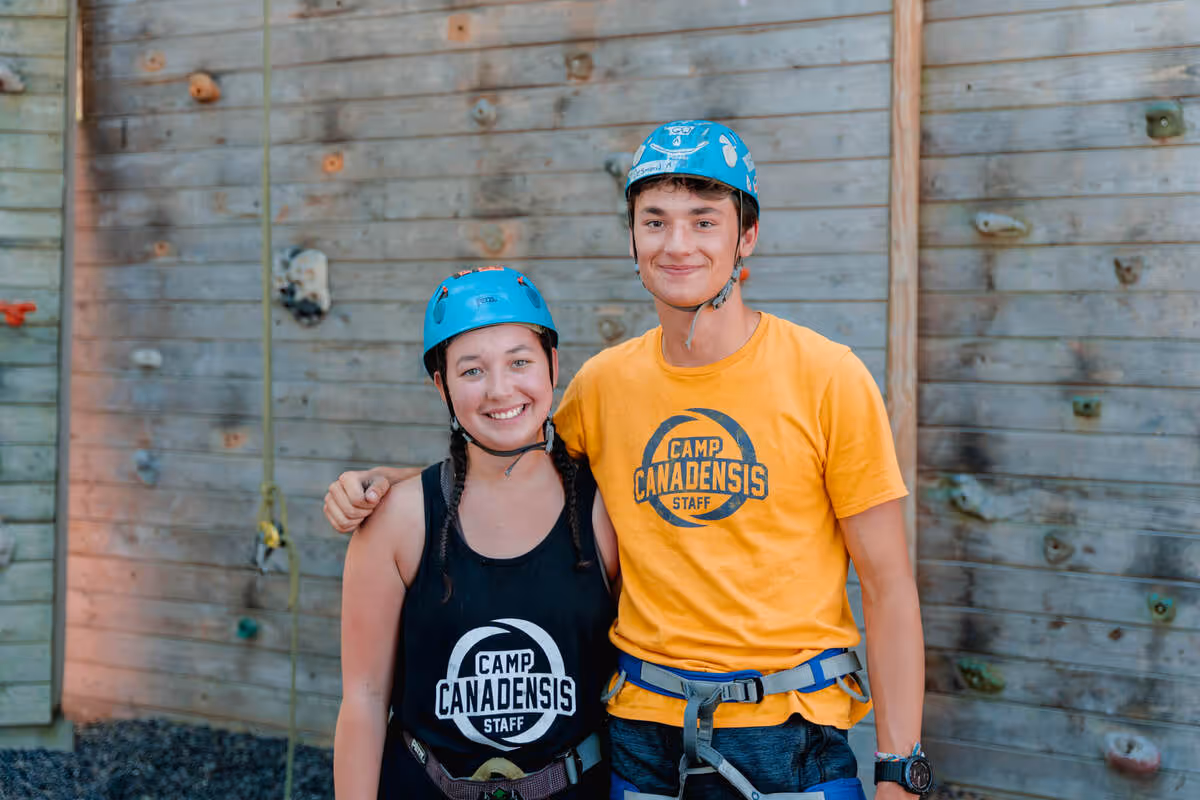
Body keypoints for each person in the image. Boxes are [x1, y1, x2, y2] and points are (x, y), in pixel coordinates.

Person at [327, 121, 930, 800]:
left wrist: (899, 771)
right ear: (634, 238)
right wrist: (389, 487)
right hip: (643, 740)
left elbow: (887, 586)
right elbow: (511, 460)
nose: (677, 244)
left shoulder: (828, 378)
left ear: (746, 236)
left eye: (704, 221)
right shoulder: (604, 386)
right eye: (655, 221)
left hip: (790, 740)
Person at [332, 265, 619, 800]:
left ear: (553, 365)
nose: (499, 389)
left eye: (520, 361)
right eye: (471, 371)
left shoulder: (604, 510)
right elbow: (365, 698)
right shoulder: (397, 520)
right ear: (440, 385)